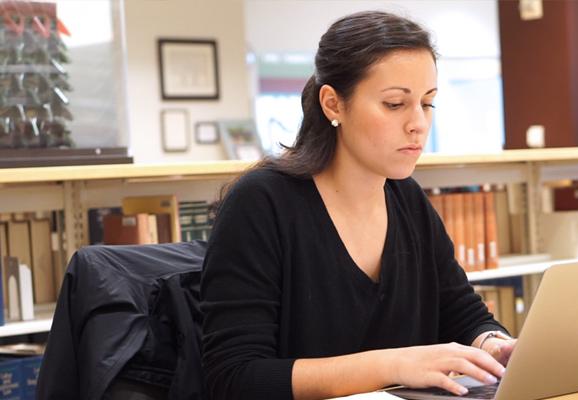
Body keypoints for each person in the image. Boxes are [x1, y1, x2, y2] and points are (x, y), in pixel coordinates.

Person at [201, 10, 517, 400]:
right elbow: (235, 376)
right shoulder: (262, 203)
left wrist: (492, 345)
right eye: (395, 104)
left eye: (428, 103)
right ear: (333, 104)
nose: (418, 123)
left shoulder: (408, 198)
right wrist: (393, 365)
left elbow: (461, 312)